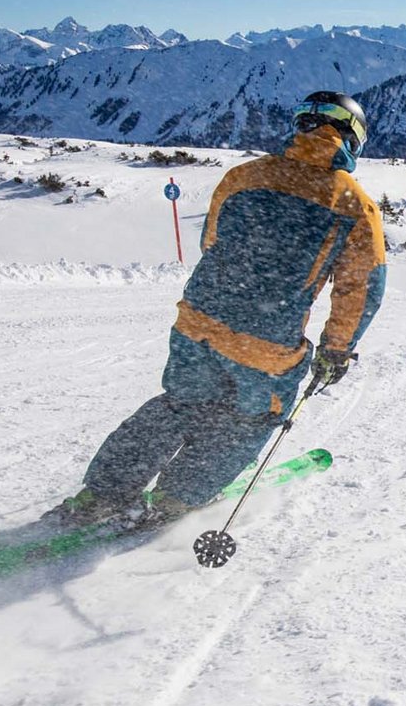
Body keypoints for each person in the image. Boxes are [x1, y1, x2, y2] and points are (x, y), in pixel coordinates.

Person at [57, 91, 387, 527]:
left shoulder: (245, 175)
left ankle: (102, 495)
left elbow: (211, 242)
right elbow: (360, 288)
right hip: (267, 344)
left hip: (197, 322)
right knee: (247, 422)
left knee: (179, 404)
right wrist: (335, 349)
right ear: (354, 138)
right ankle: (176, 500)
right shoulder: (354, 204)